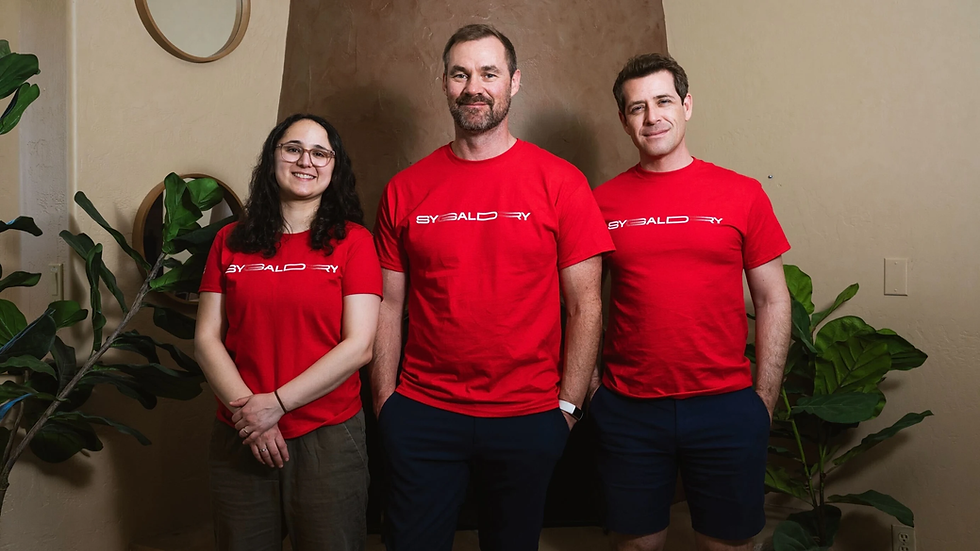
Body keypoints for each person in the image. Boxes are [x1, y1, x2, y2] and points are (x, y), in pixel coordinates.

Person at [369, 24, 614, 551]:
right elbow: (388, 305)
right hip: (424, 411)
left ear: (514, 82)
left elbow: (585, 303)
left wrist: (568, 407)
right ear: (444, 84)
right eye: (460, 73)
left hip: (528, 415)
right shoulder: (405, 187)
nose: (473, 86)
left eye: (488, 73)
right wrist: (386, 402)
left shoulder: (561, 182)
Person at [591, 53, 792, 551]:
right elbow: (583, 304)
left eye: (662, 101)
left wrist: (762, 399)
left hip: (724, 404)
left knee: (726, 545)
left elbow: (772, 299)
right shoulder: (600, 202)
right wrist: (594, 391)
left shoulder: (742, 194)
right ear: (623, 121)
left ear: (686, 105)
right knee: (637, 545)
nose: (651, 116)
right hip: (629, 407)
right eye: (636, 108)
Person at [195, 113, 382, 551]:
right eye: (293, 148)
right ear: (273, 158)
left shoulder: (354, 242)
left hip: (328, 434)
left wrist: (276, 406)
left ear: (335, 167)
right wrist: (252, 416)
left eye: (320, 153)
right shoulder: (230, 240)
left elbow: (359, 347)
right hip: (240, 431)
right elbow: (206, 339)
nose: (306, 161)